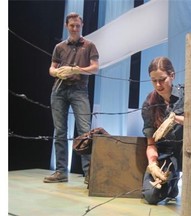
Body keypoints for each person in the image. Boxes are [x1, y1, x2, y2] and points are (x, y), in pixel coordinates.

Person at [141, 56, 191, 204]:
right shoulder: (149, 103)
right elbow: (151, 144)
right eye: (154, 80)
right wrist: (153, 164)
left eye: (162, 79)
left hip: (189, 149)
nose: (158, 85)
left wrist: (176, 119)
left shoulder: (188, 94)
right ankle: (172, 185)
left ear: (172, 75)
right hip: (165, 153)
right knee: (151, 196)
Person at [43, 12, 99, 183]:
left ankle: (89, 173)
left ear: (81, 26)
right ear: (66, 26)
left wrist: (76, 70)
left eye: (77, 25)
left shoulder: (89, 45)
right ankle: (61, 171)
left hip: (79, 91)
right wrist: (57, 72)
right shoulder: (59, 47)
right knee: (60, 131)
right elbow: (51, 68)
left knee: (84, 132)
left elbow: (95, 67)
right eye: (72, 25)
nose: (75, 28)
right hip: (59, 91)